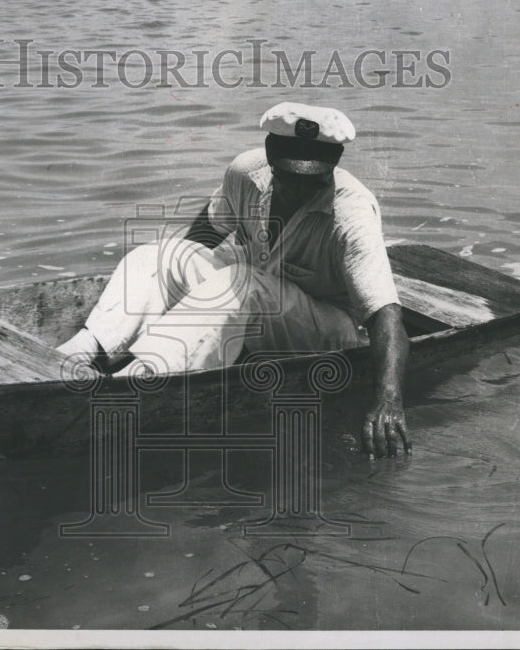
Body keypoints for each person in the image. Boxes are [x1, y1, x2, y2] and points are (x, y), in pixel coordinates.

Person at [57, 102, 411, 459]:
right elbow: (199, 240)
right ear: (272, 164)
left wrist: (389, 402)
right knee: (162, 255)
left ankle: (137, 382)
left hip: (326, 327)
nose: (301, 190)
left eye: (313, 180)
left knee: (240, 283)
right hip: (260, 301)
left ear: (331, 169)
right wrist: (184, 313)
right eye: (291, 177)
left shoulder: (350, 215)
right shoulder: (245, 173)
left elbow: (386, 316)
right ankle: (85, 351)